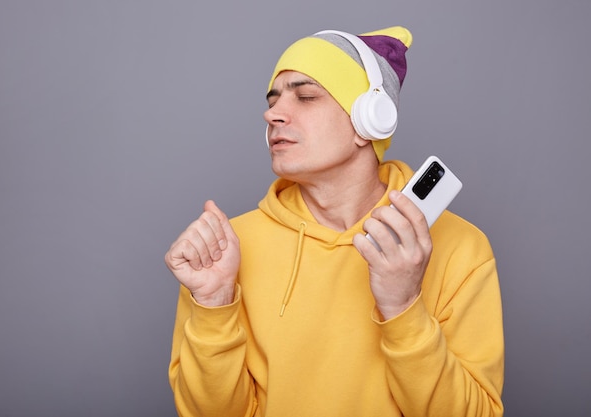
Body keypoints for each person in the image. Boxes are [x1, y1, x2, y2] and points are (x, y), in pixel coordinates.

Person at [165, 26, 504, 417]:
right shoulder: (227, 248)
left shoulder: (460, 247)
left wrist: (404, 306)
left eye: (306, 96)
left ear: (371, 119)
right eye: (273, 100)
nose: (272, 113)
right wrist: (214, 304)